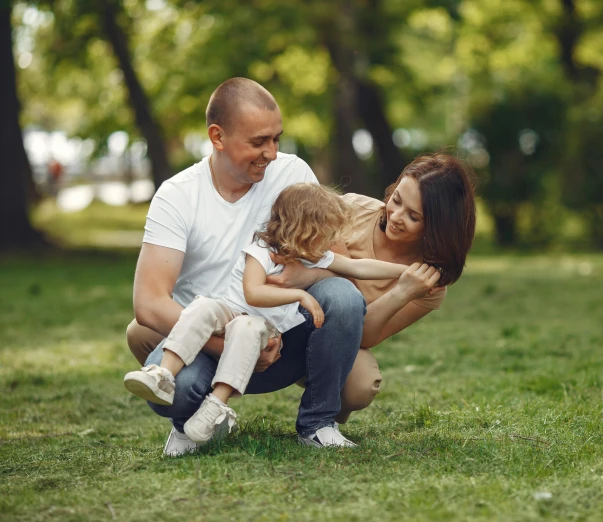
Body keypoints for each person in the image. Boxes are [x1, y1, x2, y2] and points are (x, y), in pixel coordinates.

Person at [125, 77, 374, 454]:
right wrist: (226, 343)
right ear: (217, 136)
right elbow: (149, 302)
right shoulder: (177, 196)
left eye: (276, 138)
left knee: (342, 296)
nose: (271, 153)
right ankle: (192, 422)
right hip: (209, 340)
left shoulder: (293, 174)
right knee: (173, 392)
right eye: (258, 142)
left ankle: (317, 425)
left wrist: (299, 279)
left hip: (283, 339)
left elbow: (336, 260)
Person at [124, 183, 408, 445]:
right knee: (201, 308)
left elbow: (360, 268)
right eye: (328, 233)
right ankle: (162, 374)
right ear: (306, 230)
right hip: (230, 312)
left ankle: (215, 407)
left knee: (248, 330)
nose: (332, 241)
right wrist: (298, 293)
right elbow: (253, 293)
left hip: (260, 327)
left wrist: (404, 273)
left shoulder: (317, 255)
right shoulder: (262, 250)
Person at [266, 152, 477, 423]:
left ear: (438, 228)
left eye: (413, 216)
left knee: (360, 386)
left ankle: (322, 414)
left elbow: (362, 336)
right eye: (396, 200)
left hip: (333, 334)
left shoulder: (428, 285)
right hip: (284, 311)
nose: (396, 216)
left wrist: (403, 292)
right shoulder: (352, 209)